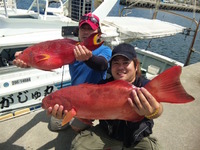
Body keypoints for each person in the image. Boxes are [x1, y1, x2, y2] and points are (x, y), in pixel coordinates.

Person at [13, 12, 112, 132]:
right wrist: (27, 62)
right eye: (83, 28)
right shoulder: (71, 47)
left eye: (90, 29)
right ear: (78, 30)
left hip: (90, 99)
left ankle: (88, 117)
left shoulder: (104, 49)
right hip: (72, 96)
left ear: (97, 31)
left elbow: (102, 65)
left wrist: (88, 58)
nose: (86, 32)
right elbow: (51, 61)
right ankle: (77, 115)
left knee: (75, 127)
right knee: (55, 126)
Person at [70, 43, 163, 150]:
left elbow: (159, 109)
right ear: (111, 66)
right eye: (116, 63)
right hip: (106, 134)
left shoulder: (145, 85)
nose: (120, 67)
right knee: (78, 146)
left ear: (136, 65)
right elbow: (91, 110)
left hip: (137, 138)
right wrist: (71, 112)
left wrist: (153, 111)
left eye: (126, 62)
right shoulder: (102, 85)